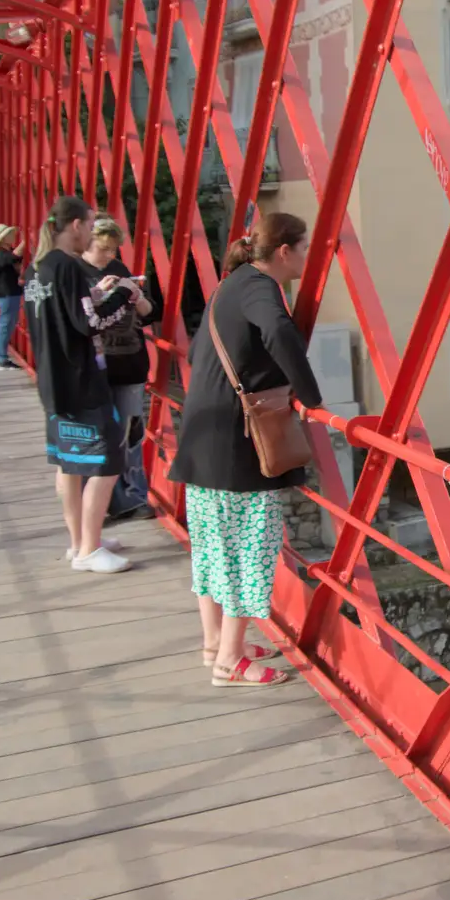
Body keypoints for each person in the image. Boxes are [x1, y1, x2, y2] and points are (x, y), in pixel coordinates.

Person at [170, 211, 320, 688]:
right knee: (249, 549)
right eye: (303, 248)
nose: (306, 257)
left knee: (214, 549)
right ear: (283, 252)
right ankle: (230, 661)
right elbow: (278, 332)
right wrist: (310, 396)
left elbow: (197, 354)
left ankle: (215, 643)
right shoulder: (261, 287)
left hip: (202, 433)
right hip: (238, 445)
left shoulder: (229, 285)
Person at [25, 195, 145, 575]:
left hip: (52, 378)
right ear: (75, 226)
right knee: (108, 460)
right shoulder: (69, 266)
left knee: (69, 463)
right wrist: (124, 295)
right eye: (90, 226)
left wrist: (94, 295)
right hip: (79, 378)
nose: (92, 233)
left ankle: (80, 540)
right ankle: (89, 550)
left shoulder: (38, 267)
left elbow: (60, 316)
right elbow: (87, 324)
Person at [79, 214, 161, 519]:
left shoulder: (120, 270)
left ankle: (133, 498)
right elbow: (75, 319)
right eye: (104, 249)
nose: (110, 256)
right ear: (88, 244)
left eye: (114, 249)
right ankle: (96, 506)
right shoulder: (74, 272)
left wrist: (137, 296)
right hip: (94, 367)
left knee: (130, 434)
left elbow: (151, 314)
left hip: (129, 362)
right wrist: (97, 293)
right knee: (97, 436)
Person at [0, 224, 25, 370]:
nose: (12, 236)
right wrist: (26, 242)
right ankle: (0, 359)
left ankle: (2, 357)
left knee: (8, 324)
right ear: (3, 238)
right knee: (5, 325)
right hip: (6, 293)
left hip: (11, 292)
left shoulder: (5, 252)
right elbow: (14, 257)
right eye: (9, 234)